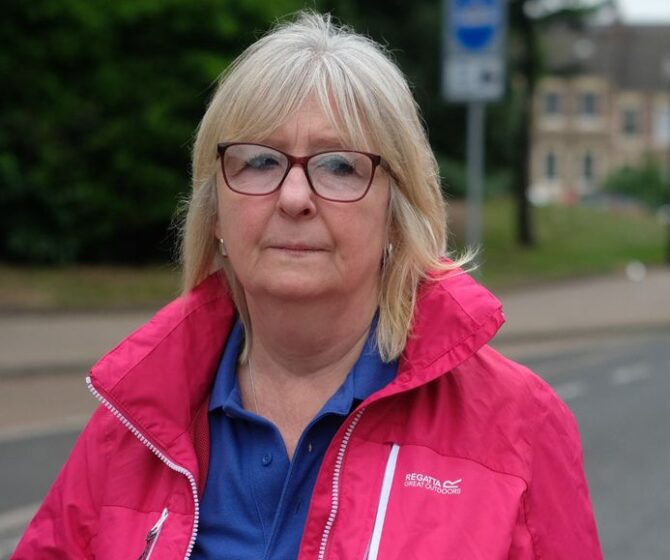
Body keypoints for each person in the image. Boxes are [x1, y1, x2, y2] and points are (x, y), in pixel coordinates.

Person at [15, 11, 602, 559]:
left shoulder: (522, 426)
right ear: (216, 214)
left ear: (397, 214)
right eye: (259, 162)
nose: (294, 197)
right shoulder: (132, 424)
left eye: (339, 165)